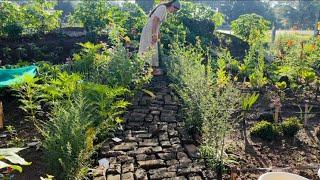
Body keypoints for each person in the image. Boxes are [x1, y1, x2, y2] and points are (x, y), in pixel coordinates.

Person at [138, 0, 181, 76]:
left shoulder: (163, 8)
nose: (173, 12)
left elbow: (157, 23)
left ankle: (149, 71)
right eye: (175, 10)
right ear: (172, 6)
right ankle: (145, 71)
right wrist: (154, 34)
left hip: (151, 29)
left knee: (152, 49)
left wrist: (158, 33)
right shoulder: (163, 8)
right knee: (148, 49)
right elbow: (155, 20)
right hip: (150, 30)